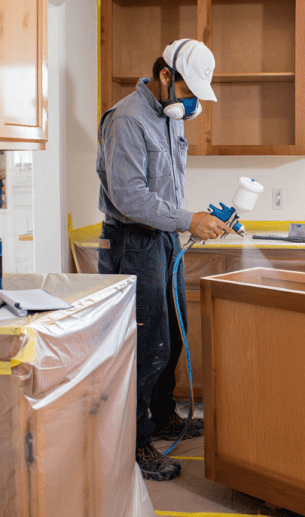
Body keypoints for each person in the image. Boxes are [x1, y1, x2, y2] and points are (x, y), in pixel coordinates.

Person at [96, 39, 228, 481]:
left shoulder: (172, 119)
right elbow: (129, 196)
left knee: (172, 335)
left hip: (163, 240)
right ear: (165, 76)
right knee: (145, 345)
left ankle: (163, 415)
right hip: (133, 243)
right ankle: (134, 443)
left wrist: (189, 220)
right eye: (188, 91)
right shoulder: (127, 120)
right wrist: (189, 219)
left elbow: (163, 191)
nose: (192, 103)